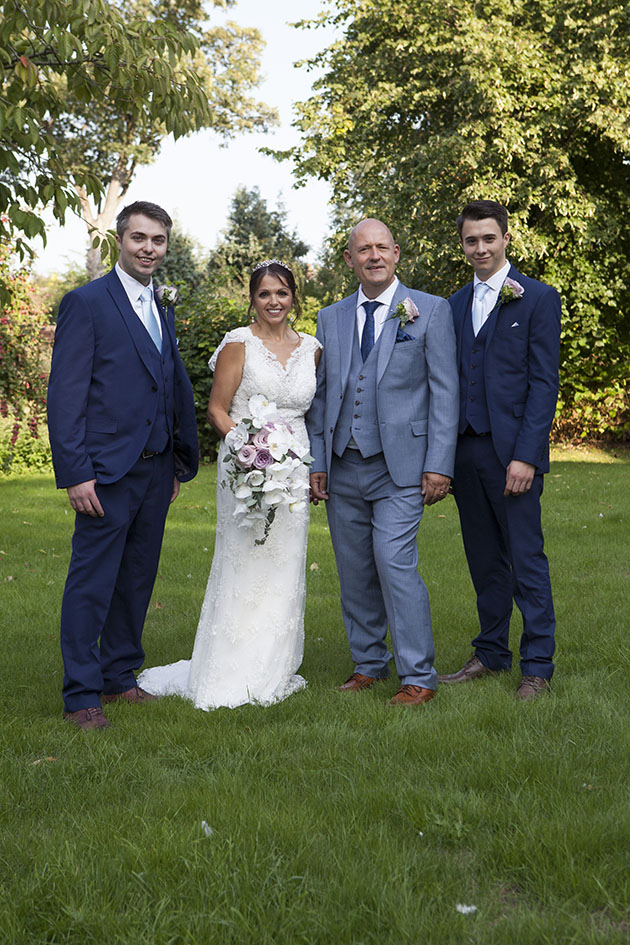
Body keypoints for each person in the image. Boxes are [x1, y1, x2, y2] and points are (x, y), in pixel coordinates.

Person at [138, 260, 322, 709]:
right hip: (245, 463)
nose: (274, 301)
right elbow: (218, 410)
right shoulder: (239, 344)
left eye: (282, 293)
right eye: (264, 294)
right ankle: (230, 665)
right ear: (252, 299)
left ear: (293, 296)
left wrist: (292, 461)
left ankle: (273, 665)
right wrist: (249, 449)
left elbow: (310, 410)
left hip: (294, 467)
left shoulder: (313, 347)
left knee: (284, 564)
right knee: (244, 559)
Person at [47, 200, 199, 731]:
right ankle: (82, 694)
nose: (149, 249)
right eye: (139, 238)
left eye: (158, 241)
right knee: (92, 582)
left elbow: (164, 381)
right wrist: (75, 472)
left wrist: (177, 461)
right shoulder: (86, 303)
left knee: (136, 579)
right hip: (104, 471)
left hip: (155, 470)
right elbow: (65, 395)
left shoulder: (163, 304)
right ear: (120, 239)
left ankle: (118, 676)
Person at [306, 219, 459, 706]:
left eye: (381, 248)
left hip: (403, 467)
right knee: (353, 570)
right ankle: (369, 665)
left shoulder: (429, 310)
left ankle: (419, 675)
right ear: (349, 260)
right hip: (343, 463)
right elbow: (322, 394)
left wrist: (439, 465)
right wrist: (317, 459)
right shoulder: (329, 318)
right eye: (362, 250)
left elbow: (445, 392)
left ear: (396, 254)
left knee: (394, 565)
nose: (373, 256)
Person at [438, 200, 560, 700]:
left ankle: (537, 664)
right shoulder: (452, 305)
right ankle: (490, 653)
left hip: (513, 454)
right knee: (484, 558)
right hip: (466, 453)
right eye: (472, 240)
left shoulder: (536, 298)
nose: (481, 248)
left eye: (489, 238)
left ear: (506, 239)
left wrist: (527, 455)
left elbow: (543, 381)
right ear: (463, 245)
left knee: (525, 558)